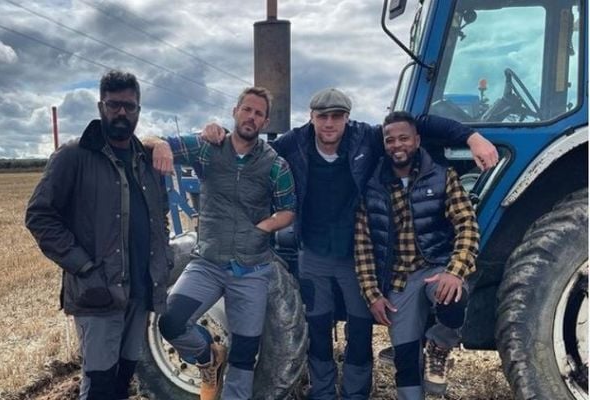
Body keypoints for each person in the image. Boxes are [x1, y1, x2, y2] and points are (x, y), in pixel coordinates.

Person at [178, 88, 496, 400]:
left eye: (337, 116)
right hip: (312, 254)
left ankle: (356, 393)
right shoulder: (295, 142)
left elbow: (417, 125)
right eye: (322, 116)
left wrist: (471, 137)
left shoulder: (366, 137)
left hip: (354, 257)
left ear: (347, 118)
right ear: (312, 117)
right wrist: (214, 131)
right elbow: (253, 143)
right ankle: (323, 392)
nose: (329, 123)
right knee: (317, 329)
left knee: (358, 332)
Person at [25, 70, 172, 400]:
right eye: (114, 105)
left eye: (130, 106)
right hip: (98, 293)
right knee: (100, 384)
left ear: (138, 110)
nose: (122, 113)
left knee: (124, 379)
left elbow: (158, 217)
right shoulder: (74, 156)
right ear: (100, 106)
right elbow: (39, 216)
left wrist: (163, 260)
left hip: (140, 290)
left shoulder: (145, 160)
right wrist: (84, 267)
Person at [151, 87, 296, 400]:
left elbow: (288, 211)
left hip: (252, 270)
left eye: (259, 113)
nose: (251, 117)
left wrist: (264, 227)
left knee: (244, 356)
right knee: (171, 321)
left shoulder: (275, 165)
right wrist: (161, 144)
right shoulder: (208, 148)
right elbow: (152, 142)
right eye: (247, 109)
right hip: (208, 264)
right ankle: (207, 356)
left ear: (266, 121)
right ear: (235, 111)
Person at [355, 111, 480, 399]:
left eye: (404, 138)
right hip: (399, 281)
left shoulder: (442, 177)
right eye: (390, 140)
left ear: (417, 140)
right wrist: (372, 294)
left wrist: (454, 271)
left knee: (455, 296)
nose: (397, 145)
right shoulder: (372, 186)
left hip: (436, 269)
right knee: (405, 361)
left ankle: (439, 344)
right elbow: (362, 244)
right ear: (384, 144)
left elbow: (467, 225)